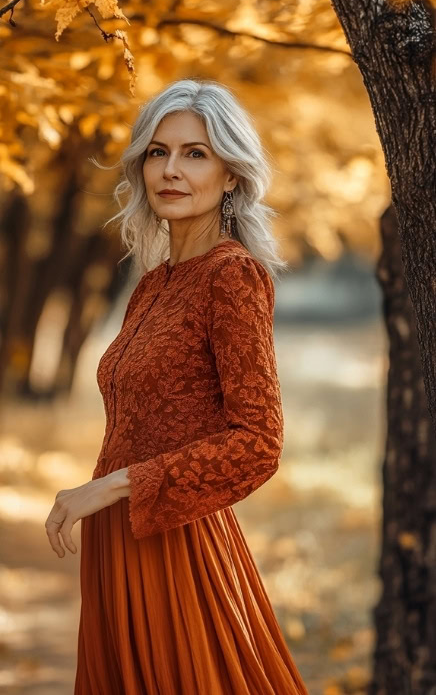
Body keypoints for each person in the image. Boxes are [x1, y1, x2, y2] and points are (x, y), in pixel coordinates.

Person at [45, 79, 309, 694]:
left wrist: (110, 487)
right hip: (118, 545)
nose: (171, 169)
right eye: (158, 152)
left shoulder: (232, 276)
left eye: (196, 153)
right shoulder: (152, 284)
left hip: (175, 547)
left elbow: (259, 441)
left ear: (232, 175)